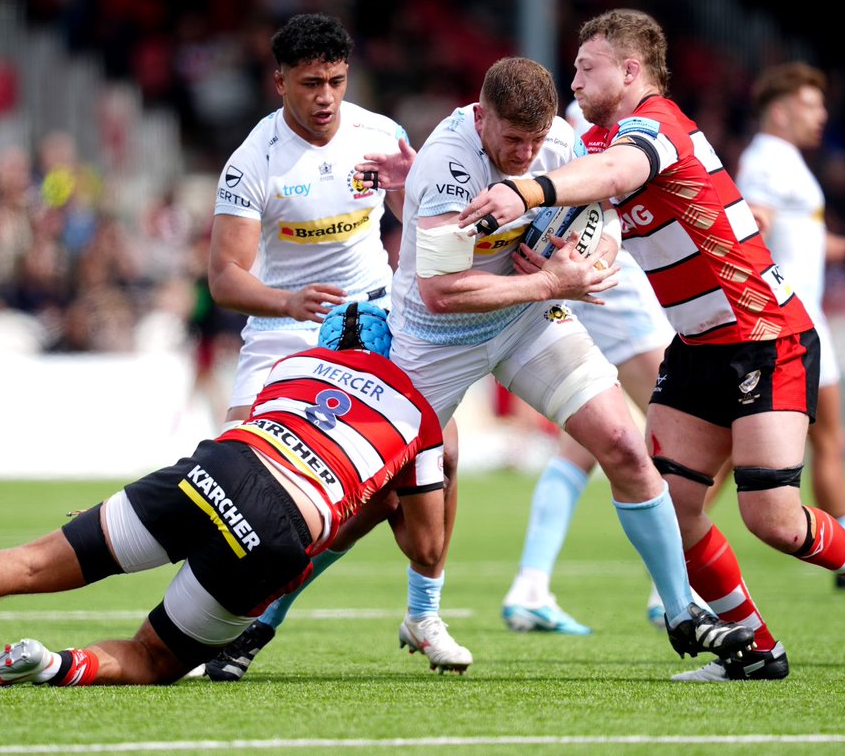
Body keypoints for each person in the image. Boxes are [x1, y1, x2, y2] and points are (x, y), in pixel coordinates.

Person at [206, 56, 756, 682]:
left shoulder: (558, 139)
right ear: (480, 115)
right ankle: (258, 621)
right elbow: (442, 291)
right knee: (371, 496)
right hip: (435, 339)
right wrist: (552, 280)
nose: (525, 153)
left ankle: (683, 612)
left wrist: (593, 250)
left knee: (627, 447)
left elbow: (603, 204)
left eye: (536, 138)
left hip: (525, 322)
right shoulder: (448, 161)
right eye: (512, 140)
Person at [459, 9, 845, 682]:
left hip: (764, 334)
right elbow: (612, 213)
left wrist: (524, 189)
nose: (575, 77)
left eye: (587, 67)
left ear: (630, 70)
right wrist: (575, 253)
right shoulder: (607, 140)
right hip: (698, 344)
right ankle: (757, 649)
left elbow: (617, 177)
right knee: (671, 509)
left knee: (773, 519)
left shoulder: (655, 127)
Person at [0, 302, 448, 688]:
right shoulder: (418, 411)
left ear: (329, 341)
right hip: (278, 526)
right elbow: (424, 545)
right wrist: (388, 501)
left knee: (32, 559)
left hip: (217, 467)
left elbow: (249, 434)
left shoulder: (291, 366)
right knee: (154, 657)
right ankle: (52, 665)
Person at [205, 12, 469, 674]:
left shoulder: (380, 136)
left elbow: (425, 227)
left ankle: (423, 610)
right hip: (284, 326)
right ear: (279, 83)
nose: (325, 96)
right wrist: (286, 300)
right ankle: (214, 622)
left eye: (336, 81)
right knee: (239, 486)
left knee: (443, 450)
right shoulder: (252, 163)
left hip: (374, 318)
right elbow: (224, 278)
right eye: (310, 83)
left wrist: (417, 187)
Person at [707, 62, 845, 591]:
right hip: (781, 323)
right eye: (810, 105)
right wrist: (755, 221)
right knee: (735, 451)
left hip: (804, 320)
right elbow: (753, 222)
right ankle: (678, 552)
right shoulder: (765, 161)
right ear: (780, 109)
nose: (821, 115)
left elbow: (803, 238)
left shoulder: (790, 162)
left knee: (821, 442)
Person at [501, 100, 676, 635]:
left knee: (587, 442)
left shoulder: (585, 119)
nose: (578, 78)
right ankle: (676, 590)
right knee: (692, 430)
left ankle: (531, 585)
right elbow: (605, 194)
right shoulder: (615, 124)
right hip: (612, 288)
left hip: (584, 277)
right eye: (578, 67)